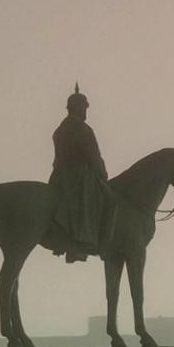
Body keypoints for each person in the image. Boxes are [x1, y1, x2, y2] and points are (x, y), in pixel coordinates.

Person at [47, 84, 116, 262]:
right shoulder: (83, 130)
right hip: (80, 177)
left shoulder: (59, 130)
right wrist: (103, 174)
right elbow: (94, 157)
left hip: (59, 177)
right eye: (85, 107)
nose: (86, 111)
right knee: (110, 201)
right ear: (77, 107)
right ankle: (99, 245)